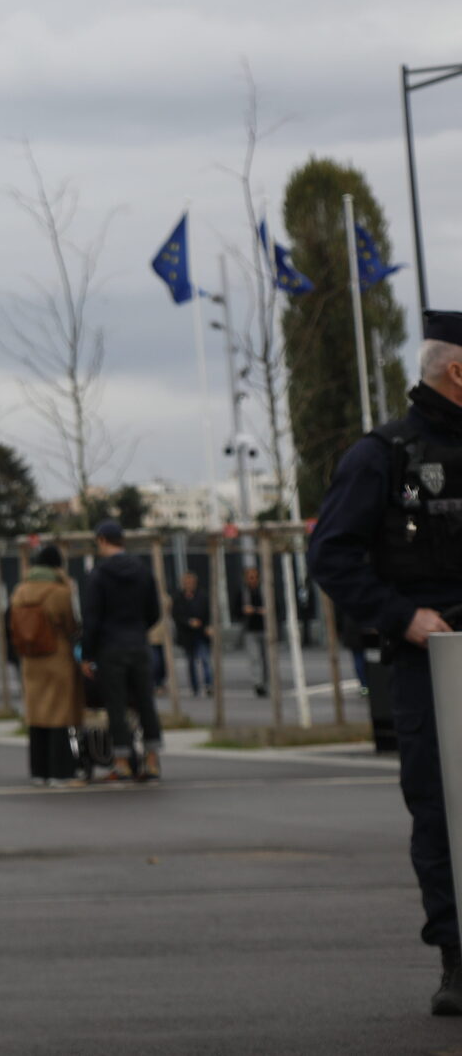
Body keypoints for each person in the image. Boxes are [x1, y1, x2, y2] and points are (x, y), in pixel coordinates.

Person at [312, 312, 462, 1018]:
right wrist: (405, 617)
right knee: (442, 808)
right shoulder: (383, 455)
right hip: (433, 662)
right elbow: (331, 554)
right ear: (457, 370)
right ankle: (458, 957)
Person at [80, 520, 163, 782]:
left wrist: (87, 654)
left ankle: (123, 762)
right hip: (138, 643)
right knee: (145, 702)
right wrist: (138, 629)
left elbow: (91, 619)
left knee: (116, 705)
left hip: (110, 647)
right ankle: (151, 761)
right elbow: (154, 611)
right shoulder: (142, 570)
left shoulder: (99, 575)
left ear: (102, 540)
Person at [11, 545, 81, 785]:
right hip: (56, 656)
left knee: (37, 714)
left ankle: (38, 770)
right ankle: (60, 770)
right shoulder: (59, 592)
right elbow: (72, 625)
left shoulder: (20, 591)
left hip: (31, 658)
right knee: (59, 715)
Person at [173, 571, 214, 698]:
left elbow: (209, 612)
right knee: (190, 661)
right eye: (186, 582)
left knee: (205, 659)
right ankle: (195, 687)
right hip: (187, 634)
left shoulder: (202, 596)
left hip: (201, 633)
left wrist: (208, 625)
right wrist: (188, 622)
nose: (189, 584)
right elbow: (176, 615)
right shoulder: (178, 597)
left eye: (191, 582)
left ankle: (209, 684)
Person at [239, 562, 270, 697]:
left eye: (254, 576)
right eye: (250, 577)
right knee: (255, 657)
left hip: (265, 628)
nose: (252, 579)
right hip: (250, 630)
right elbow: (236, 610)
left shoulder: (266, 591)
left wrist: (266, 611)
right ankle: (258, 683)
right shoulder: (243, 592)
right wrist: (244, 611)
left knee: (266, 658)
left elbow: (276, 607)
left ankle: (265, 681)